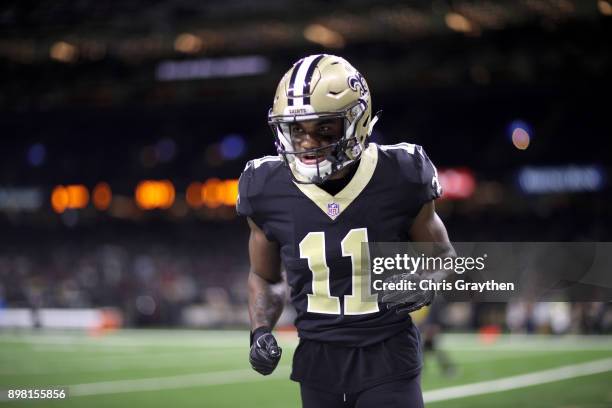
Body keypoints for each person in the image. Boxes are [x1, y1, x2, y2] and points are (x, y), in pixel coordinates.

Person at [237, 54, 455, 408]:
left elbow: (442, 258)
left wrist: (420, 284)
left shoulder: (401, 174)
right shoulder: (264, 186)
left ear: (358, 121)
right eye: (297, 129)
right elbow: (266, 277)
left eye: (324, 128)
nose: (308, 142)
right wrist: (260, 329)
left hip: (388, 354)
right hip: (317, 360)